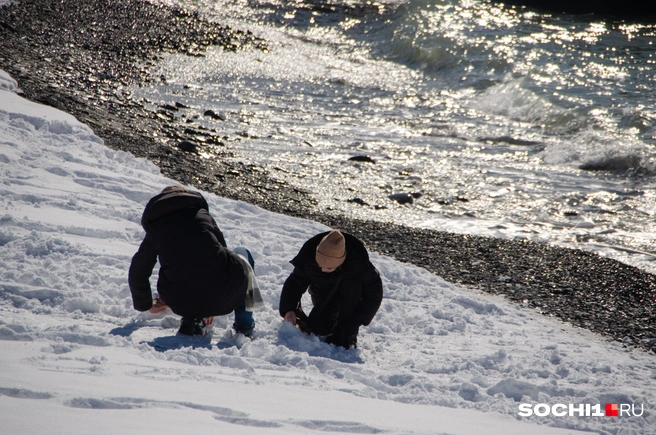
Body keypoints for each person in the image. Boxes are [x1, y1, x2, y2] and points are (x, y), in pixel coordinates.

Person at [128, 186, 261, 336]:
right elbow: (223, 257)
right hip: (220, 296)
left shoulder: (158, 226)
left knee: (181, 266)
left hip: (178, 301)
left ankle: (193, 318)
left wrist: (147, 305)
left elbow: (138, 270)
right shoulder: (202, 215)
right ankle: (244, 328)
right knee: (242, 254)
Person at [279, 229, 383, 349]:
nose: (323, 270)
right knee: (318, 329)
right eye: (320, 266)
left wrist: (356, 322)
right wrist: (289, 309)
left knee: (343, 336)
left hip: (351, 298)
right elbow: (295, 282)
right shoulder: (309, 255)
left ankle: (346, 332)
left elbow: (374, 293)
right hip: (323, 293)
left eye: (329, 268)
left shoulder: (358, 262)